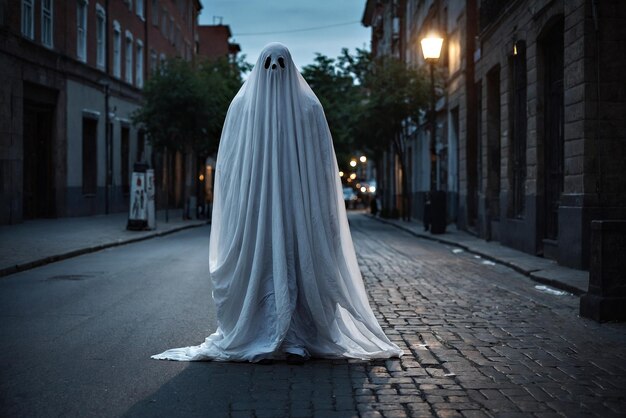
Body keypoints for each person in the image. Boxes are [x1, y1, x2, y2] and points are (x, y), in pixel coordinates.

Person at [152, 43, 403, 363]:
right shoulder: (245, 107)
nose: (274, 69)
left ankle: (299, 334)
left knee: (296, 264)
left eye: (280, 63)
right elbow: (230, 165)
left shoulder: (306, 108)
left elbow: (322, 168)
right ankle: (265, 329)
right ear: (260, 66)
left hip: (296, 209)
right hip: (256, 209)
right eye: (268, 62)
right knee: (264, 264)